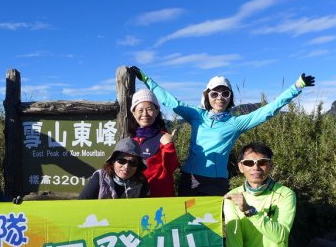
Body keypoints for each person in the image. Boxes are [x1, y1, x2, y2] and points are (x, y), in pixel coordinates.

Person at [130, 66, 315, 197]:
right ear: (207, 96)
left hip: (217, 182)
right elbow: (171, 101)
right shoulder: (196, 115)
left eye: (225, 93)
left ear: (230, 97)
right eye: (215, 93)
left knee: (213, 227)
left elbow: (268, 110)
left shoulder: (235, 123)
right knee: (186, 224)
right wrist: (146, 79)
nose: (220, 98)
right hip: (191, 178)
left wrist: (296, 87)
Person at [128, 88, 179, 197]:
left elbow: (171, 168)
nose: (145, 114)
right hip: (136, 198)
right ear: (133, 113)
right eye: (140, 110)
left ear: (156, 112)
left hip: (160, 200)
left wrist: (168, 145)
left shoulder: (163, 138)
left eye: (149, 109)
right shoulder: (131, 140)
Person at [79, 137, 149, 200]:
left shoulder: (141, 182)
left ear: (138, 165)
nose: (126, 166)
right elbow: (81, 204)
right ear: (113, 161)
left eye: (133, 162)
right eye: (121, 161)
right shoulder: (99, 177)